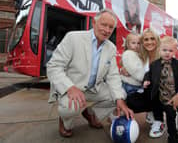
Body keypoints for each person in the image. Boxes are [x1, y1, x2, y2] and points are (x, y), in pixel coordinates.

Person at [47, 9, 134, 137]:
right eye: (104, 25)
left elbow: (113, 76)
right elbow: (53, 66)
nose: (107, 30)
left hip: (94, 88)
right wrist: (70, 87)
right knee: (69, 108)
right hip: (73, 86)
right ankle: (65, 121)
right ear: (94, 22)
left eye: (111, 27)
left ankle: (90, 113)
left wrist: (120, 100)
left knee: (120, 95)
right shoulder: (73, 38)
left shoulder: (111, 47)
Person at [143, 36, 178, 143]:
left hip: (177, 95)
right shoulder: (154, 64)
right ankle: (172, 135)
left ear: (175, 51)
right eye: (164, 50)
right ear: (159, 50)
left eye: (170, 50)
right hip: (164, 98)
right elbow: (148, 74)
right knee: (170, 117)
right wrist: (146, 80)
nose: (167, 53)